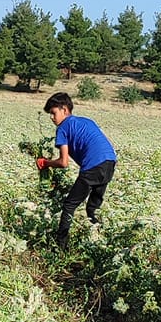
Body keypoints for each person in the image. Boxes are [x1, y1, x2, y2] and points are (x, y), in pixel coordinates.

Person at [43, 92, 116, 247]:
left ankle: (60, 246)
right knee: (92, 208)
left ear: (64, 109)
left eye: (53, 113)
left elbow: (63, 163)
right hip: (110, 162)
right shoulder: (86, 121)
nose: (51, 118)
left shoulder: (62, 128)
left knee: (69, 205)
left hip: (93, 165)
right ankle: (101, 241)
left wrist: (45, 163)